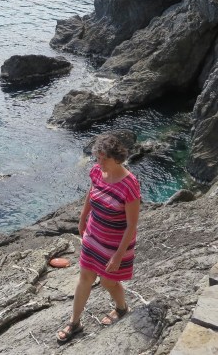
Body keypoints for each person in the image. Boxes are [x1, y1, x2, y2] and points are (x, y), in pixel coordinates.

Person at [57, 134, 141, 344]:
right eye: (98, 157)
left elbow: (132, 225)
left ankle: (121, 308)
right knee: (85, 277)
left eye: (104, 158)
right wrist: (82, 218)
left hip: (115, 243)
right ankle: (74, 323)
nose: (99, 162)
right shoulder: (97, 171)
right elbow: (91, 193)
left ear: (117, 158)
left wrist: (118, 256)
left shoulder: (130, 185)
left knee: (108, 281)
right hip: (94, 235)